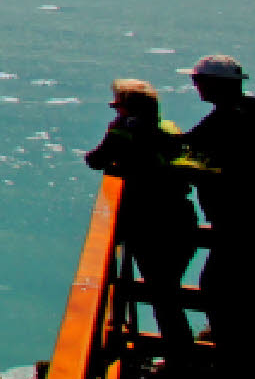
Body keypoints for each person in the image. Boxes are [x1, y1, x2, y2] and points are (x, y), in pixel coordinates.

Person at [174, 53, 255, 378]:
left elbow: (187, 147)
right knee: (251, 292)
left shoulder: (233, 119)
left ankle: (239, 369)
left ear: (214, 84)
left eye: (199, 81)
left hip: (243, 228)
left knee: (224, 288)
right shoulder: (251, 113)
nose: (196, 86)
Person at [84, 79, 196, 359]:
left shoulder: (124, 132)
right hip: (181, 218)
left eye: (117, 107)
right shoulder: (169, 129)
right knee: (167, 293)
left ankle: (178, 360)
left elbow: (96, 159)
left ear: (128, 110)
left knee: (160, 295)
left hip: (149, 223)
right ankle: (181, 355)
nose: (114, 112)